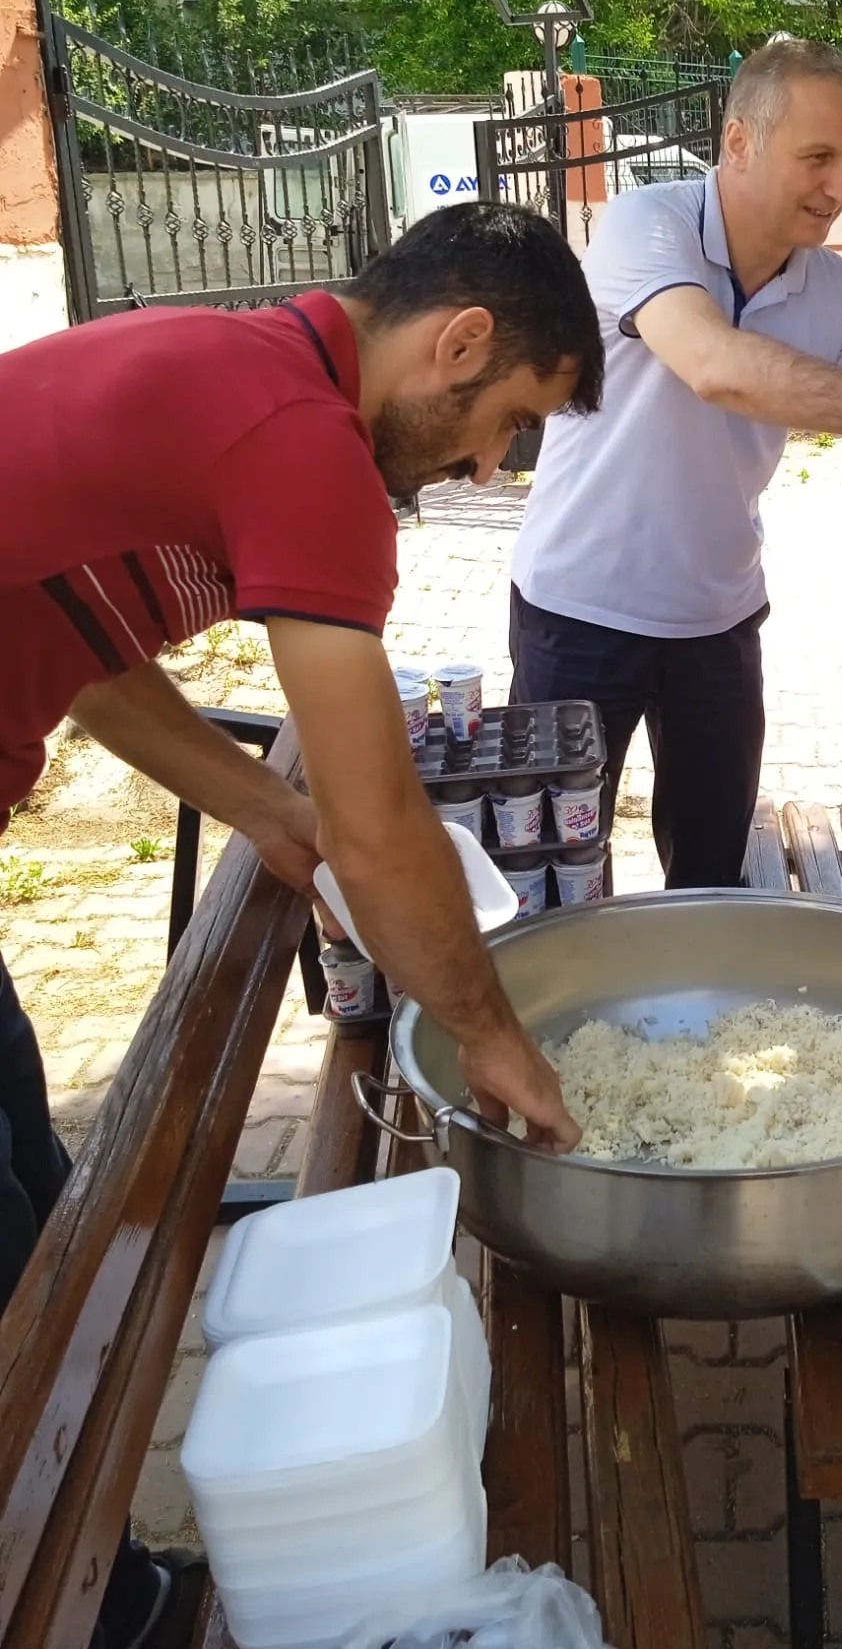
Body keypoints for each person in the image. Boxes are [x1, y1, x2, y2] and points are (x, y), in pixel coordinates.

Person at [0, 202, 603, 1649]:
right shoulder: (298, 441)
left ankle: (92, 1566)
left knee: (31, 1182)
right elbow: (387, 825)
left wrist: (269, 818)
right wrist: (488, 1033)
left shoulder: (239, 375)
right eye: (503, 421)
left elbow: (76, 647)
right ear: (457, 340)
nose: (485, 465)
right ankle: (74, 1597)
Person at [509, 38, 842, 887]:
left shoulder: (833, 290)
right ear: (738, 144)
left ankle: (693, 1024)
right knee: (550, 871)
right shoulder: (645, 223)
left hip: (718, 625)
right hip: (580, 610)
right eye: (818, 158)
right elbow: (715, 367)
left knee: (715, 880)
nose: (840, 189)